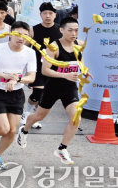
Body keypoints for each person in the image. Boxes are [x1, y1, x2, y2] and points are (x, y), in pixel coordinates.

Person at [16, 17, 93, 165]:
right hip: (53, 87)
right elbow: (45, 70)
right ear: (61, 30)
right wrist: (65, 74)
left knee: (76, 117)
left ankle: (62, 149)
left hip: (69, 88)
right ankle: (24, 130)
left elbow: (79, 61)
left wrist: (84, 70)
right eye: (70, 30)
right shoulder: (53, 47)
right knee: (39, 116)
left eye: (76, 30)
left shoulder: (80, 45)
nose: (74, 33)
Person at [0, 21, 36, 169]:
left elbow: (31, 77)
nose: (21, 38)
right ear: (10, 33)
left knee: (12, 130)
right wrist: (3, 75)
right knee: (3, 129)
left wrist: (17, 79)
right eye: (18, 34)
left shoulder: (30, 53)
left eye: (25, 35)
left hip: (17, 93)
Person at [22, 2, 62, 128]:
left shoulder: (61, 30)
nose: (48, 16)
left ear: (55, 15)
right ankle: (26, 112)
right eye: (45, 13)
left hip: (54, 67)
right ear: (40, 15)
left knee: (45, 95)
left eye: (50, 13)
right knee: (37, 93)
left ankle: (33, 116)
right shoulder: (33, 30)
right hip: (38, 67)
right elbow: (25, 48)